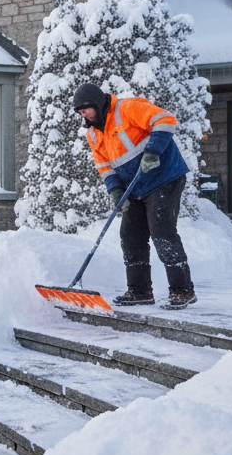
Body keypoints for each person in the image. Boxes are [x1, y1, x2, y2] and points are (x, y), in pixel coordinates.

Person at [72, 82, 196, 309]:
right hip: (136, 186)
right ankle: (140, 292)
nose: (84, 115)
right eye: (80, 112)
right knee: (130, 235)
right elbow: (104, 164)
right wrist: (115, 190)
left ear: (97, 105)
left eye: (85, 109)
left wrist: (152, 152)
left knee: (161, 231)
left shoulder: (127, 108)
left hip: (164, 177)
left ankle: (182, 290)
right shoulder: (92, 133)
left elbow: (165, 120)